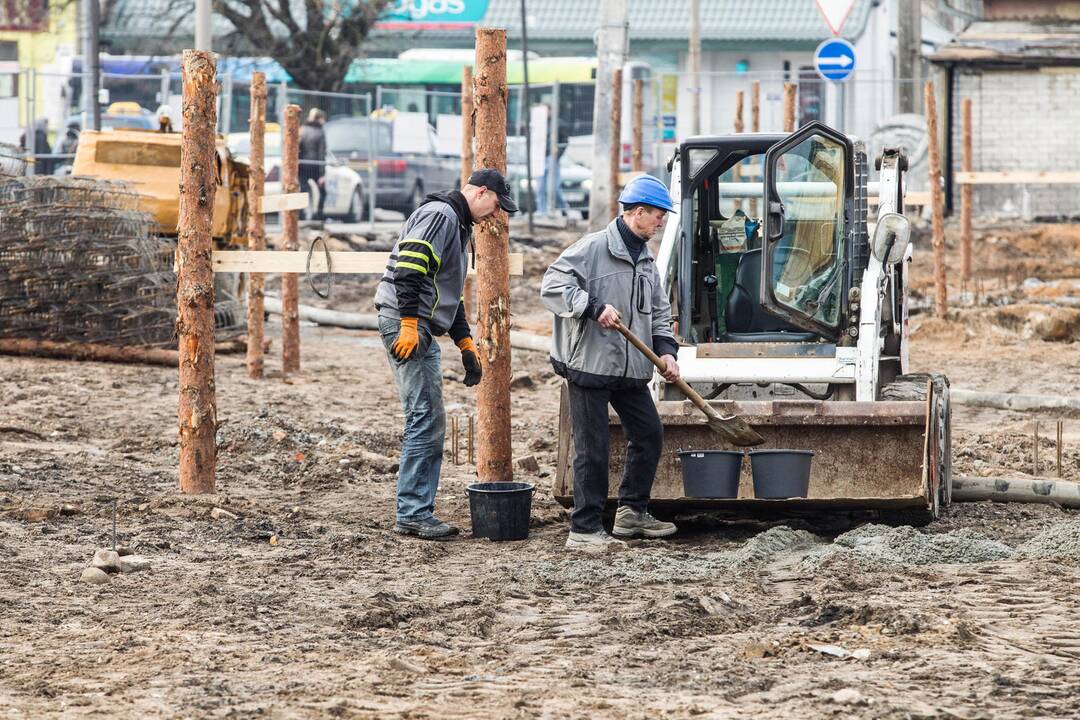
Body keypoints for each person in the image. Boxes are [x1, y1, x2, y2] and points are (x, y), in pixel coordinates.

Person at [374, 169, 518, 539]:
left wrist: (464, 341)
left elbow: (446, 291)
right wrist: (408, 322)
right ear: (481, 192)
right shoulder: (441, 216)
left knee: (429, 417)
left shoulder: (457, 224)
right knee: (425, 417)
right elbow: (409, 269)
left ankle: (415, 509)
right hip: (409, 325)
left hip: (420, 325)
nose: (496, 214)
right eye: (497, 205)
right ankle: (412, 512)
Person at [540, 175, 680, 551]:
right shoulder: (592, 249)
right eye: (658, 216)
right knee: (593, 448)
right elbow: (551, 286)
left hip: (631, 368)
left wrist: (667, 350)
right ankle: (584, 529)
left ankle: (632, 512)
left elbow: (659, 312)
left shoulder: (646, 261)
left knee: (649, 433)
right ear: (637, 213)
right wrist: (592, 307)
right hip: (590, 365)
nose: (661, 222)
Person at [299, 108, 327, 218]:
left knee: (303, 191)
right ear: (319, 119)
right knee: (323, 192)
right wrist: (322, 174)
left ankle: (301, 215)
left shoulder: (302, 129)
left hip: (302, 166)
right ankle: (318, 215)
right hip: (315, 166)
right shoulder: (320, 132)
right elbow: (321, 154)